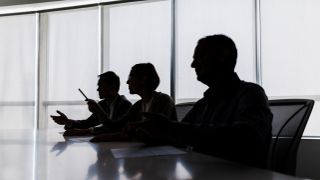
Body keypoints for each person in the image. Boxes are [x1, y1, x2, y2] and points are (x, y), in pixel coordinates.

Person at [133, 35, 273, 168]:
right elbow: (179, 134)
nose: (192, 65)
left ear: (222, 57)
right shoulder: (203, 103)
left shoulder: (251, 93)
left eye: (199, 57)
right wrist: (154, 134)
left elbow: (247, 138)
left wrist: (168, 129)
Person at [90, 63, 177, 142]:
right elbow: (116, 127)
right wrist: (99, 111)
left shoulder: (164, 100)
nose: (127, 82)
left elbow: (151, 134)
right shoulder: (138, 105)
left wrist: (108, 137)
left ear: (143, 79)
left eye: (131, 76)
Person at [50, 71, 132, 135]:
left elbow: (115, 128)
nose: (98, 89)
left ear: (112, 86)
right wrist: (67, 121)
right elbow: (87, 123)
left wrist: (85, 131)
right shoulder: (103, 104)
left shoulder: (125, 105)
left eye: (100, 86)